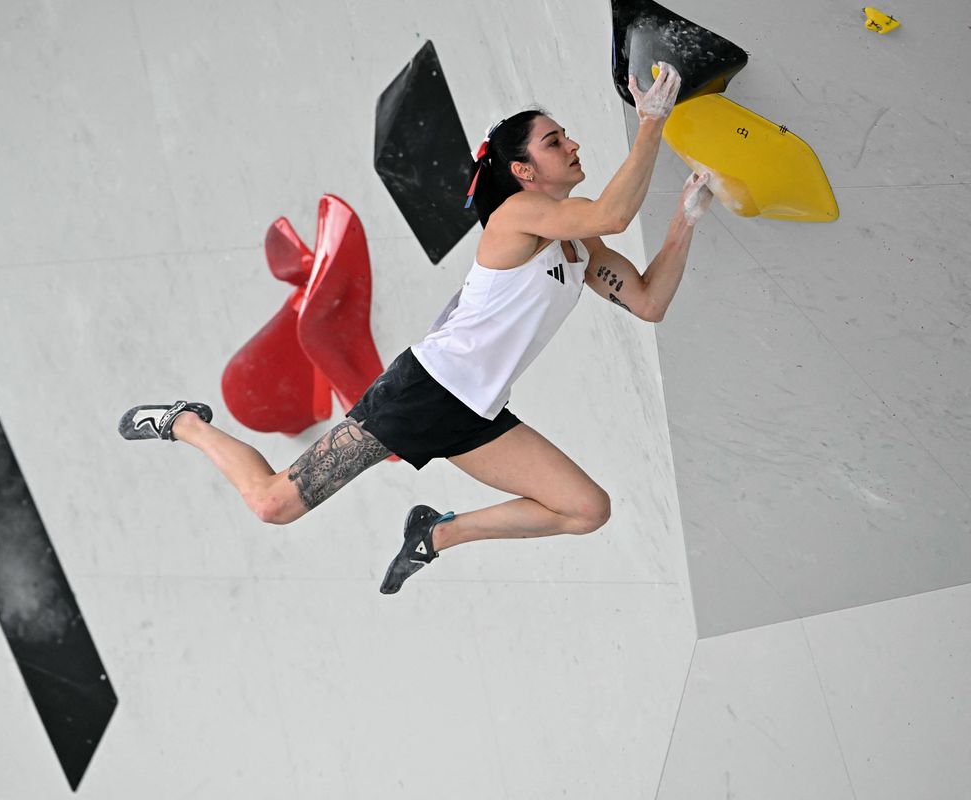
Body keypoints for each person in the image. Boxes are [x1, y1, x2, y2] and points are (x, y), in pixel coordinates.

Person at [120, 62, 712, 594]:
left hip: (474, 412)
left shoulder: (579, 245)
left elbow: (648, 301)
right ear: (523, 171)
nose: (573, 144)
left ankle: (436, 535)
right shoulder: (517, 217)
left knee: (588, 510)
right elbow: (613, 210)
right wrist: (651, 123)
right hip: (421, 392)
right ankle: (185, 423)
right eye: (555, 141)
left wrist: (684, 220)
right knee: (273, 504)